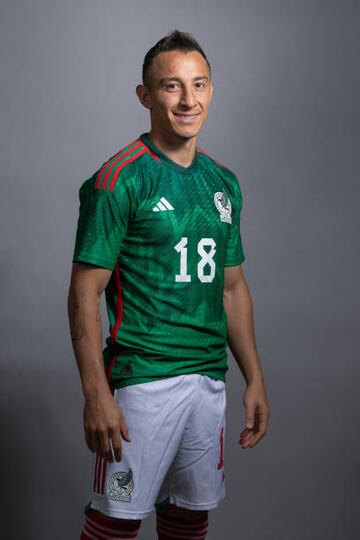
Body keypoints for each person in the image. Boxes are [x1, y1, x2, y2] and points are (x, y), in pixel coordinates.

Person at [67, 29, 270, 540]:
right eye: (171, 86)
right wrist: (96, 392)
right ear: (146, 95)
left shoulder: (223, 183)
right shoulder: (120, 180)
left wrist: (254, 377)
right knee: (116, 517)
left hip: (208, 380)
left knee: (188, 515)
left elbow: (232, 288)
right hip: (142, 383)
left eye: (198, 85)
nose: (188, 100)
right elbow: (84, 293)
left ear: (211, 90)